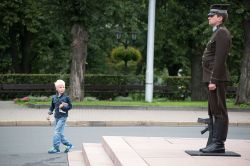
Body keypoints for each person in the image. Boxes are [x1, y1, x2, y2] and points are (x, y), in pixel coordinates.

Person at [200, 4, 231, 153]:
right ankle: (214, 142)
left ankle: (219, 144)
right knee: (213, 110)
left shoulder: (222, 33)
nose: (209, 17)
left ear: (220, 18)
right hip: (213, 78)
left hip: (216, 79)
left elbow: (220, 59)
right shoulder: (217, 32)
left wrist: (213, 80)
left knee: (219, 110)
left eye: (211, 15)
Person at [47, 79, 73, 154]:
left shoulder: (66, 98)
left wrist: (63, 107)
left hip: (63, 117)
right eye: (60, 87)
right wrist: (49, 114)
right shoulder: (54, 98)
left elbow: (70, 107)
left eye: (63, 87)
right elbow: (52, 107)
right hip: (56, 117)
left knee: (57, 132)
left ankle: (56, 148)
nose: (62, 88)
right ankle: (69, 145)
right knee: (59, 134)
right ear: (56, 88)